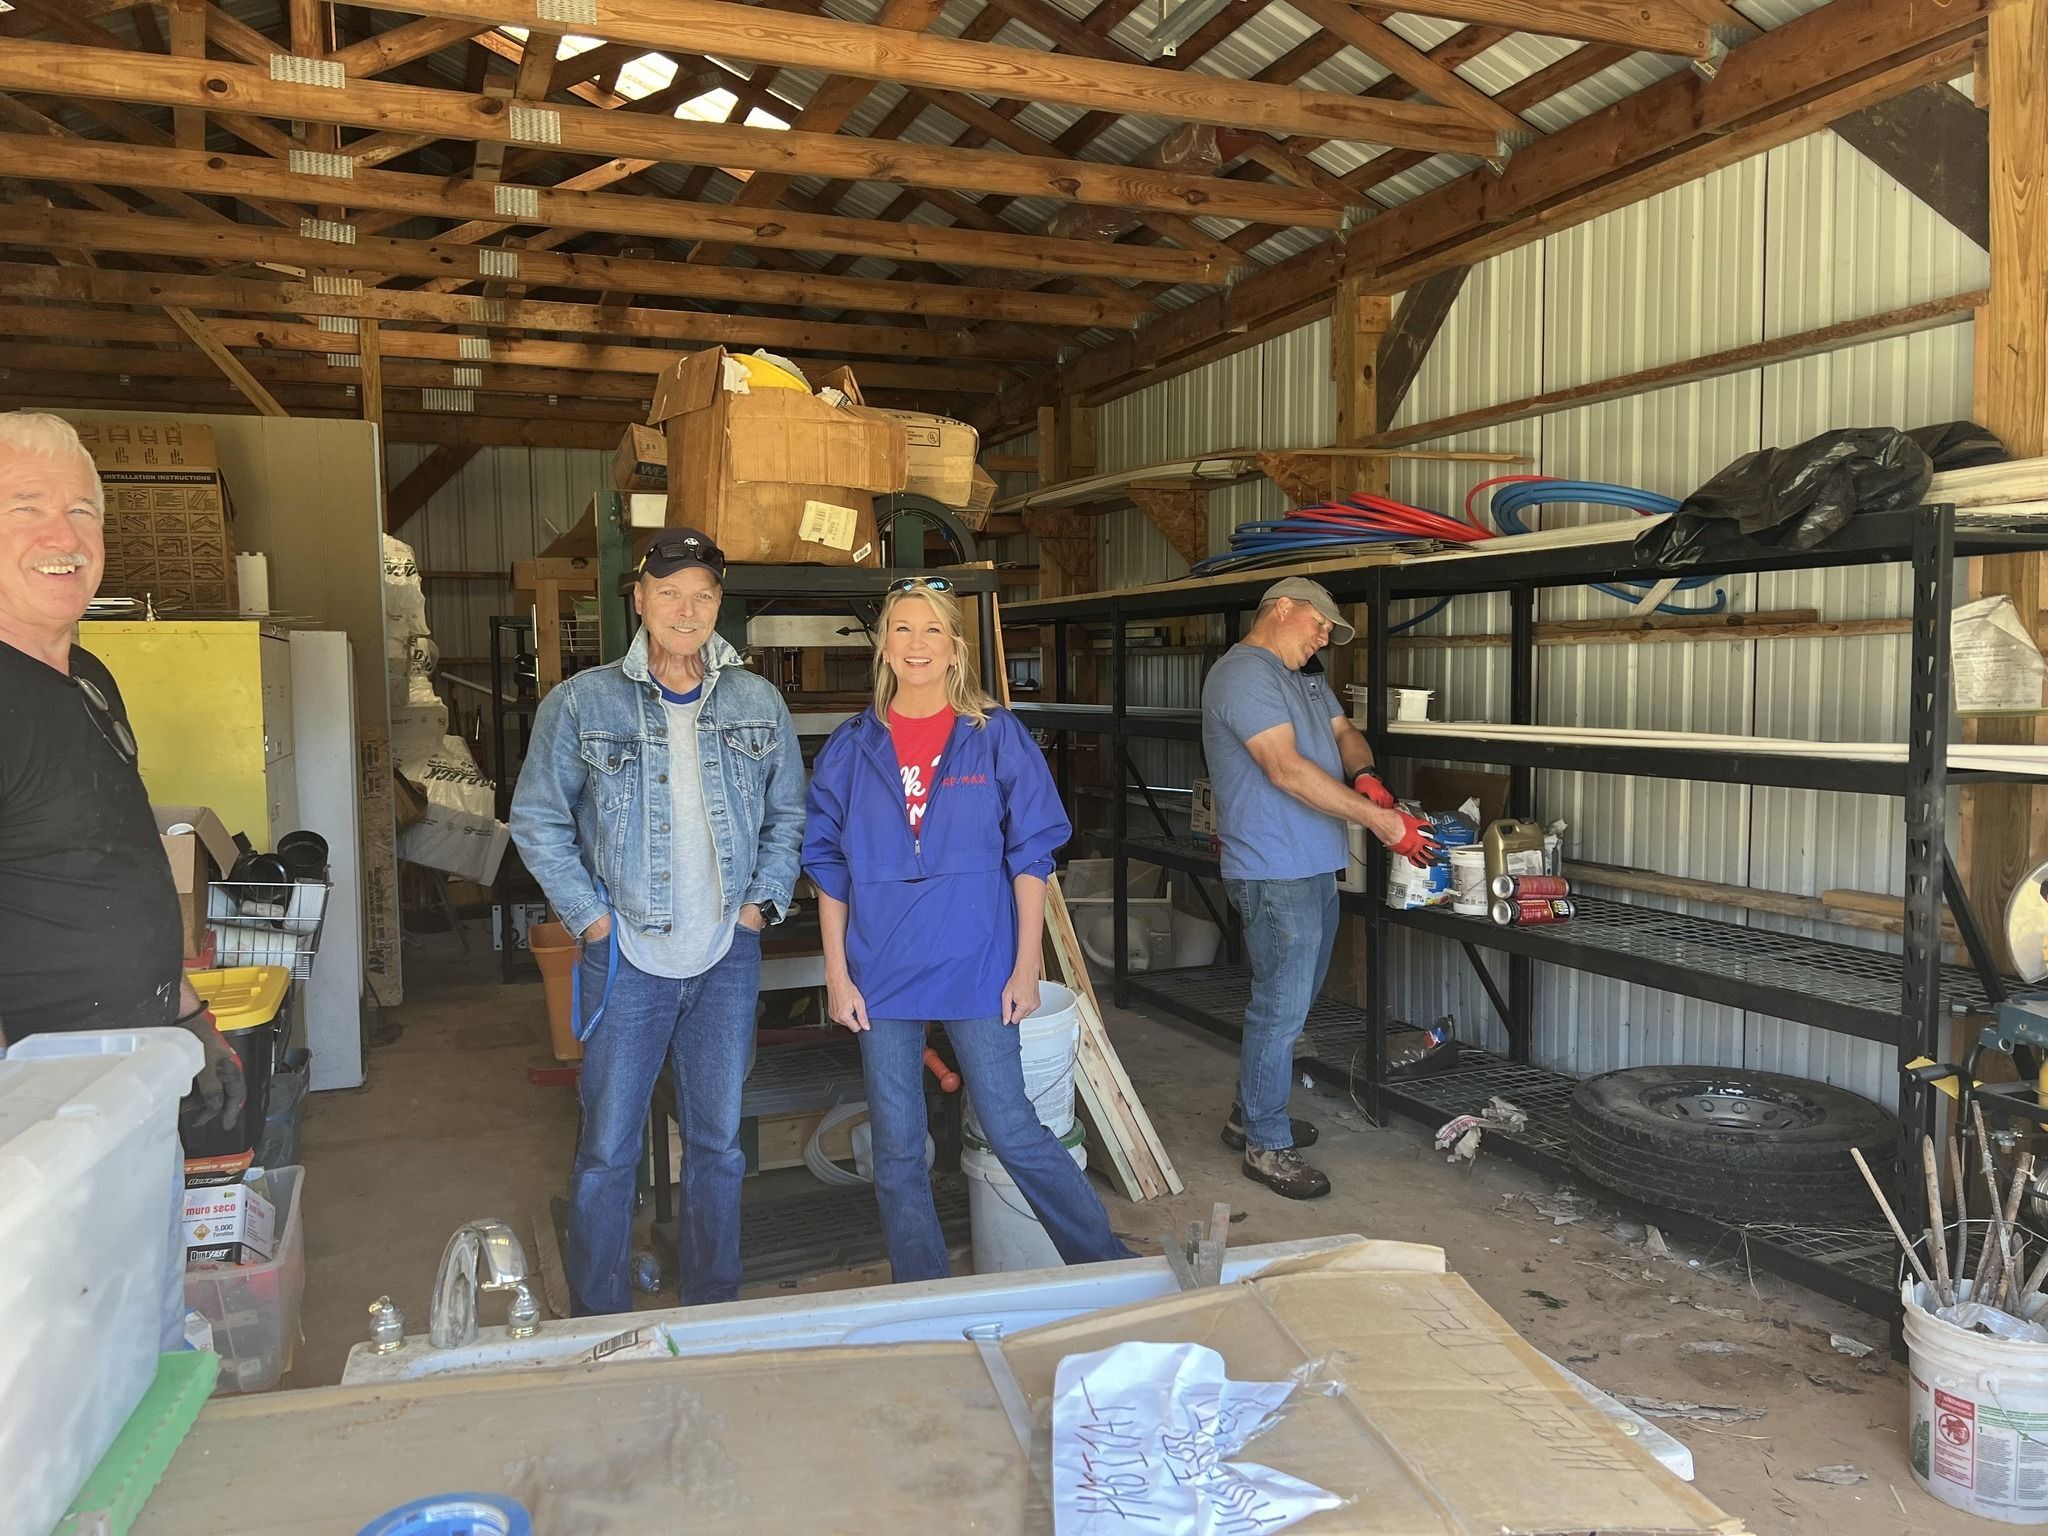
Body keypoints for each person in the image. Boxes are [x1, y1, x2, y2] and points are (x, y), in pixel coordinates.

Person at [509, 528, 804, 1313]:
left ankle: (713, 1302)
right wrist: (592, 921)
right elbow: (536, 820)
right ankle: (598, 1313)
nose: (687, 608)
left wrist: (758, 908)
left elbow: (789, 815)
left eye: (703, 594)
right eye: (669, 591)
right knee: (607, 1149)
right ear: (639, 600)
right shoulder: (582, 702)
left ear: (718, 607)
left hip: (725, 959)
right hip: (626, 957)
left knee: (718, 1144)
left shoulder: (756, 701)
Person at [802, 577, 1131, 1281]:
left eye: (932, 632)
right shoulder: (851, 747)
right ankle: (923, 1292)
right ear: (884, 648)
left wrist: (1024, 964)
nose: (916, 644)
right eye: (901, 630)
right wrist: (836, 973)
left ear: (955, 649)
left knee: (1012, 1129)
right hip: (879, 969)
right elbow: (827, 866)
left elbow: (1030, 855)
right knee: (896, 1148)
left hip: (979, 963)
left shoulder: (996, 737)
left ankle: (1105, 1265)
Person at [0, 410, 244, 1134]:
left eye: (81, 511)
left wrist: (185, 1011)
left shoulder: (90, 678)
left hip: (122, 1078)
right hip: (38, 1112)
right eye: (25, 509)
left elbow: (114, 858)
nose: (63, 537)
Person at [1200, 577, 1436, 1199]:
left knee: (1293, 1005)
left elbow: (1341, 733)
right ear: (1282, 608)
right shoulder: (1243, 675)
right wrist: (1384, 822)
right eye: (1319, 624)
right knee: (1278, 1010)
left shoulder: (1303, 675)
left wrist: (1365, 775)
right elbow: (1284, 769)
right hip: (1273, 870)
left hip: (1312, 866)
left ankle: (1246, 1113)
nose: (1323, 636)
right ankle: (1266, 1145)